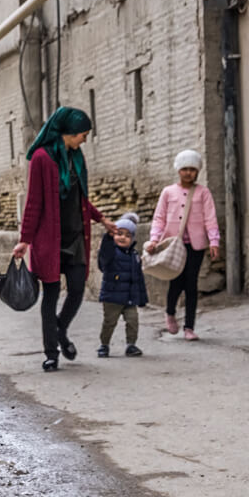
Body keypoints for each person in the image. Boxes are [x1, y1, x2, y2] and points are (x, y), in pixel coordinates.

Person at [13, 107, 116, 372]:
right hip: (49, 240)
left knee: (78, 288)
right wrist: (25, 240)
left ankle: (59, 330)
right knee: (50, 295)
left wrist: (101, 218)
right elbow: (34, 202)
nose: (85, 139)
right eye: (82, 134)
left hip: (75, 238)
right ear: (68, 132)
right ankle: (51, 353)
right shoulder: (41, 159)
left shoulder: (76, 157)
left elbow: (80, 199)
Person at [145, 150, 221, 341]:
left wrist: (214, 241)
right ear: (178, 170)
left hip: (195, 247)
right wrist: (154, 239)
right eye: (185, 169)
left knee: (191, 285)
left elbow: (210, 218)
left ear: (197, 172)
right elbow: (159, 217)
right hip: (173, 244)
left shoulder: (203, 193)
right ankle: (170, 312)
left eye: (192, 170)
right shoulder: (168, 192)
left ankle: (189, 327)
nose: (188, 173)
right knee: (175, 282)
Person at [96, 213, 149, 357]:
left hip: (129, 298)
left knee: (133, 321)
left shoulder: (134, 255)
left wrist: (142, 298)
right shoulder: (110, 253)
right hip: (112, 297)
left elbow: (138, 279)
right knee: (109, 323)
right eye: (119, 234)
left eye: (127, 235)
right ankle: (104, 345)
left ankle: (131, 345)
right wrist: (107, 236)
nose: (122, 237)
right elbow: (104, 254)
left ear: (132, 239)